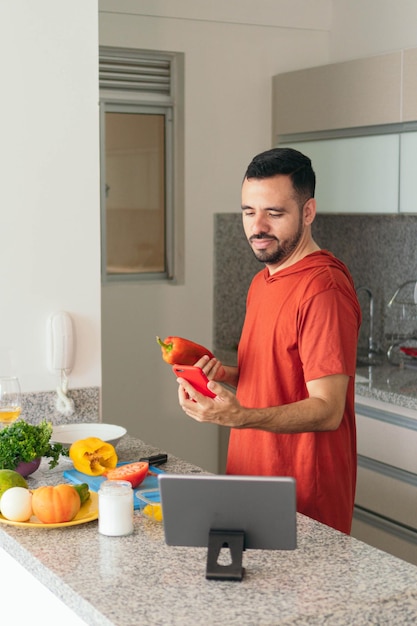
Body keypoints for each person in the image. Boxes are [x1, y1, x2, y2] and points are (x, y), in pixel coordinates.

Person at [176, 147, 362, 534]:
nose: (257, 226)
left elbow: (328, 410)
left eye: (274, 213)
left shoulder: (323, 289)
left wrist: (240, 417)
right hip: (250, 485)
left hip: (304, 503)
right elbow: (283, 372)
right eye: (248, 212)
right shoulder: (263, 281)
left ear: (307, 212)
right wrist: (225, 374)